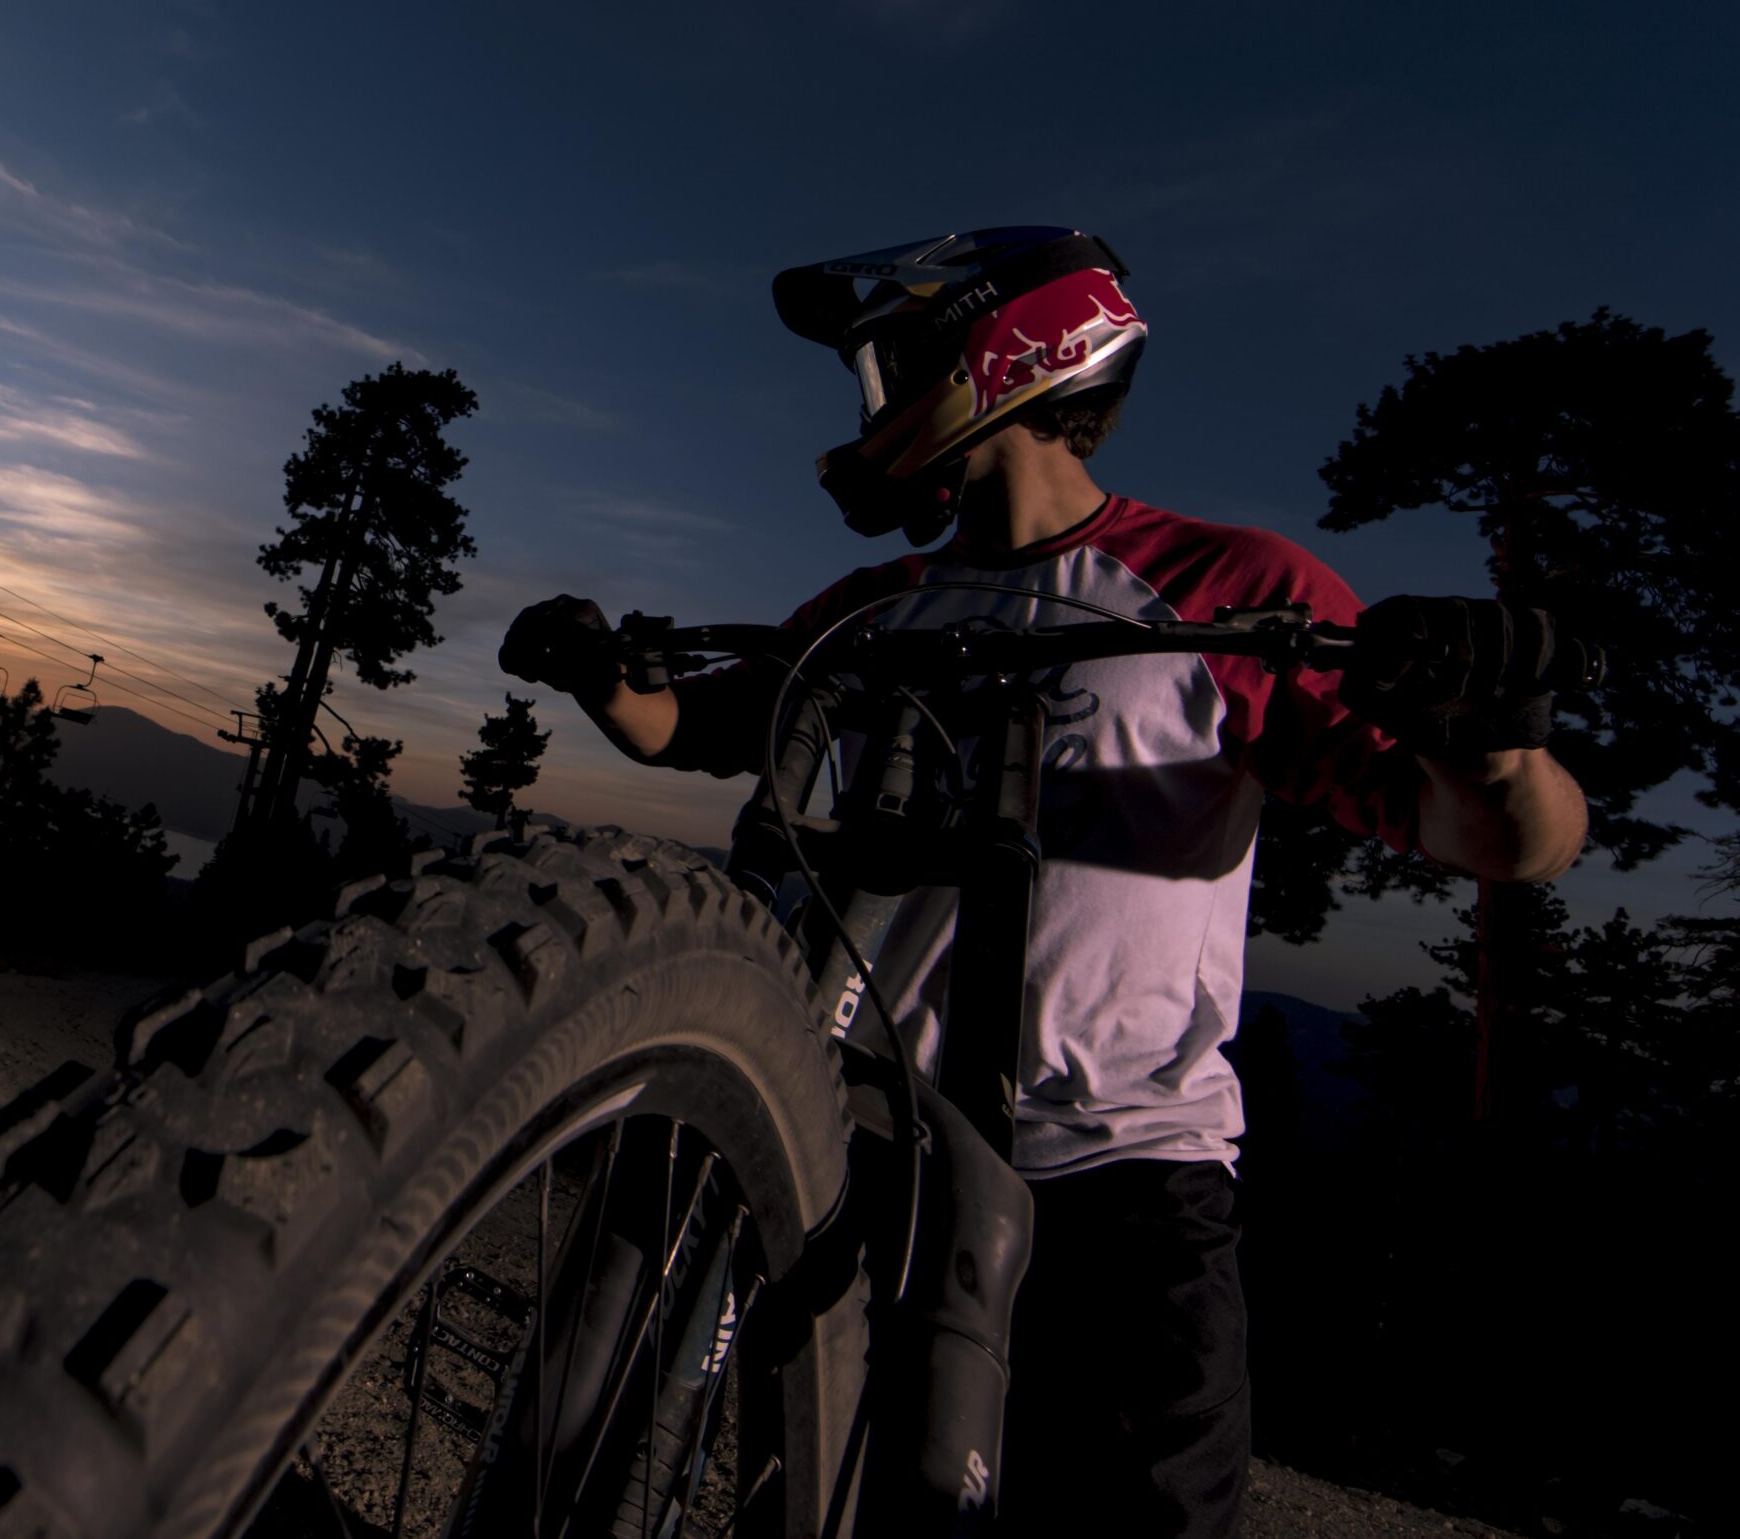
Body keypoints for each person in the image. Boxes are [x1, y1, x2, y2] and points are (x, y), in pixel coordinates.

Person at [498, 227, 1588, 1537]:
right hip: (874, 1150)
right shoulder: (877, 600)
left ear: (1014, 355)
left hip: (1125, 1180)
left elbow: (1506, 841)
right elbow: (702, 727)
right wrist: (597, 673)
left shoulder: (1229, 587)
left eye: (896, 363)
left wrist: (1500, 737)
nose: (876, 401)